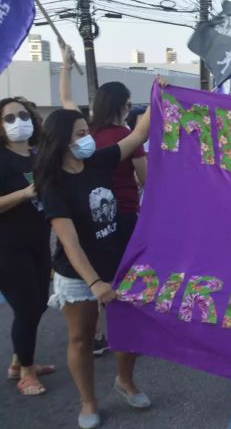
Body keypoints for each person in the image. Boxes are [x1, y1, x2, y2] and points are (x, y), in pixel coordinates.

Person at [35, 106, 152, 428]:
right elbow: (69, 243)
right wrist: (96, 283)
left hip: (118, 265)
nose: (89, 138)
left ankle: (125, 382)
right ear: (61, 140)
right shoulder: (54, 184)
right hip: (78, 276)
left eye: (88, 131)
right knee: (81, 339)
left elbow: (139, 135)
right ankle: (88, 401)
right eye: (81, 134)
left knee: (129, 333)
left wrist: (160, 95)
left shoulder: (98, 161)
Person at [60, 45, 149, 356]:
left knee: (93, 271)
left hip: (87, 215)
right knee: (120, 277)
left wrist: (65, 68)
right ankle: (121, 334)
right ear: (123, 107)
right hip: (122, 213)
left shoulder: (83, 133)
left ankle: (95, 334)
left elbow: (67, 102)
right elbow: (145, 177)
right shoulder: (124, 138)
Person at [0, 97, 55, 396]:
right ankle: (26, 373)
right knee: (26, 309)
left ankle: (19, 361)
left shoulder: (37, 156)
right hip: (8, 248)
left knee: (38, 305)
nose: (18, 122)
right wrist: (23, 194)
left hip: (38, 242)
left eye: (23, 115)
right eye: (9, 118)